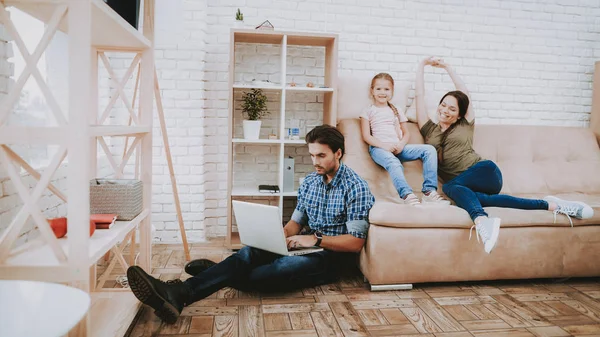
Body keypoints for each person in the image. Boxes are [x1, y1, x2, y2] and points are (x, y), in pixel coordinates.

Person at [127, 125, 375, 324]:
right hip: (305, 244)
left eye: (321, 155)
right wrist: (279, 235)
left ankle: (214, 272)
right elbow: (296, 222)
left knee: (270, 272)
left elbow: (355, 243)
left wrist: (316, 240)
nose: (314, 161)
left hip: (331, 257)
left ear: (338, 153)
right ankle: (180, 293)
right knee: (248, 252)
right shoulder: (311, 181)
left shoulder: (356, 187)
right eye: (312, 155)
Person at [416, 56, 594, 254]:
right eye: (443, 104)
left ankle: (482, 220)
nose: (445, 110)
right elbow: (419, 96)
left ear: (459, 114)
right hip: (465, 185)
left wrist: (447, 67)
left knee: (450, 187)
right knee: (485, 198)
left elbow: (465, 93)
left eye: (452, 108)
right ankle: (554, 205)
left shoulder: (464, 124)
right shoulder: (429, 129)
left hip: (486, 172)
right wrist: (422, 65)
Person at [360, 72, 449, 206]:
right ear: (372, 91)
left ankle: (429, 192)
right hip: (379, 149)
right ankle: (407, 195)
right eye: (378, 88)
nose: (382, 92)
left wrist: (401, 144)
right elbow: (367, 136)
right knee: (394, 163)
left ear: (392, 91)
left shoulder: (396, 110)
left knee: (429, 150)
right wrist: (384, 146)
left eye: (386, 89)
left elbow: (406, 133)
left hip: (398, 147)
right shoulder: (368, 111)